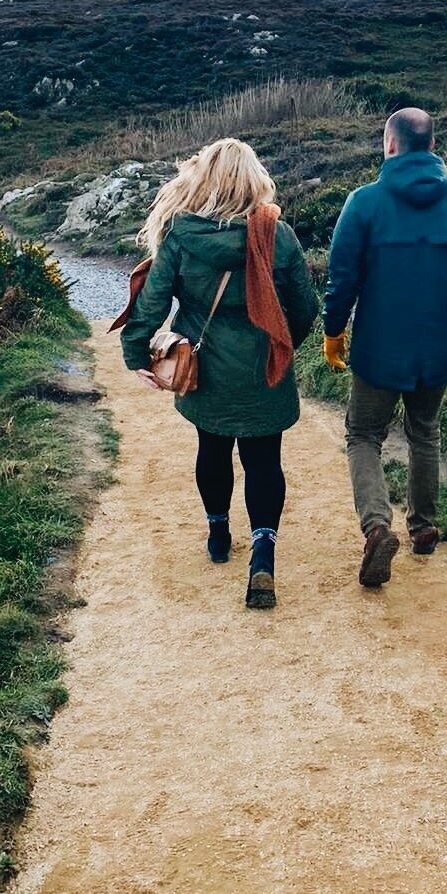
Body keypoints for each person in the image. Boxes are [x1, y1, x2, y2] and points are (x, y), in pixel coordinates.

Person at [116, 138, 319, 610]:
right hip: (263, 367)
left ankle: (218, 532)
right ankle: (263, 553)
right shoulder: (277, 234)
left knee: (212, 447)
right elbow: (305, 308)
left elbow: (151, 304)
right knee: (264, 459)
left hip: (204, 369)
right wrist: (282, 347)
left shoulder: (180, 236)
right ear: (254, 179)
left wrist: (137, 356)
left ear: (204, 179)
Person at [322, 107, 447, 590]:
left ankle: (377, 526)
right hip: (438, 351)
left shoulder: (363, 203)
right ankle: (424, 528)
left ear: (390, 145)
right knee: (425, 432)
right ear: (432, 147)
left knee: (363, 435)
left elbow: (342, 280)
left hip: (378, 351)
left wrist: (334, 333)